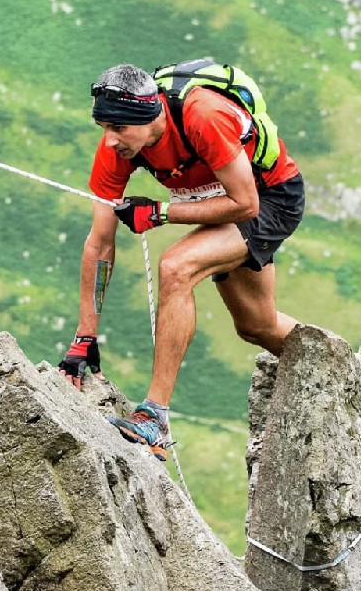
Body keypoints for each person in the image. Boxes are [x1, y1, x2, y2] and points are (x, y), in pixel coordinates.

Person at [58, 62, 305, 461]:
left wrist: (159, 213)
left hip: (269, 199)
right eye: (104, 128)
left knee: (176, 266)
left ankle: (154, 417)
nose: (109, 142)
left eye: (117, 128)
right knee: (258, 325)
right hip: (224, 206)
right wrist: (85, 337)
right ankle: (353, 374)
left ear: (148, 114)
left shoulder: (203, 116)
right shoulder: (121, 149)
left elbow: (246, 204)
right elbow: (99, 243)